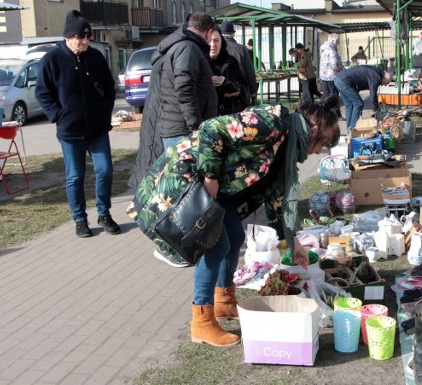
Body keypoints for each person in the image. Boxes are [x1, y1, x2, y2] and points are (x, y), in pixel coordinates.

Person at [127, 98, 342, 347]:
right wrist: (210, 176)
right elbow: (211, 129)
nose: (317, 152)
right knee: (216, 245)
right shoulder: (272, 123)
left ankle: (224, 302)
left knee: (234, 238)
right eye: (323, 144)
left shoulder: (288, 146)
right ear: (314, 130)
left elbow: (277, 200)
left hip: (219, 189)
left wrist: (293, 243)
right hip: (192, 175)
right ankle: (202, 322)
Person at [128, 12, 218, 268]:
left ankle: (182, 243)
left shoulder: (182, 46)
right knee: (182, 195)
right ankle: (171, 247)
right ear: (208, 31)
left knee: (182, 192)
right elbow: (184, 88)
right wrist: (195, 127)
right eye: (213, 35)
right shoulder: (187, 48)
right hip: (181, 131)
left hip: (178, 129)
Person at [36, 10, 120, 238]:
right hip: (70, 132)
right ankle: (80, 219)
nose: (85, 41)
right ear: (68, 37)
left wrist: (105, 113)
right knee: (75, 176)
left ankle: (104, 214)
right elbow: (42, 93)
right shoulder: (51, 60)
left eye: (88, 37)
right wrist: (58, 115)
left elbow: (110, 88)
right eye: (81, 37)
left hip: (97, 129)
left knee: (105, 170)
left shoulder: (95, 57)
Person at [333, 65, 391, 132]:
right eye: (386, 83)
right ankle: (352, 128)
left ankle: (349, 129)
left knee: (349, 104)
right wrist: (376, 110)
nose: (384, 85)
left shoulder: (375, 72)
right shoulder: (376, 77)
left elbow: (359, 82)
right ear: (384, 78)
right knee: (358, 103)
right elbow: (373, 94)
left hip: (338, 79)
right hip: (344, 81)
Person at [209, 26, 248, 114]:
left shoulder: (231, 61)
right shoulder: (199, 62)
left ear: (222, 42)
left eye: (216, 40)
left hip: (230, 113)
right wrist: (208, 83)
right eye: (209, 41)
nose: (213, 45)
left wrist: (238, 91)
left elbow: (243, 84)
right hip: (209, 116)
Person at [220, 21, 258, 106]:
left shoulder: (216, 49)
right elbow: (249, 71)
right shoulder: (241, 49)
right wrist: (253, 91)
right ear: (233, 34)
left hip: (221, 92)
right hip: (240, 91)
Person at [319, 33, 343, 100]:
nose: (338, 43)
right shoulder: (332, 51)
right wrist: (341, 67)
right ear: (333, 41)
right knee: (334, 95)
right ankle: (334, 109)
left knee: (326, 95)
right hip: (331, 77)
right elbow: (334, 66)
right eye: (337, 41)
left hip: (323, 76)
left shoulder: (323, 48)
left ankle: (325, 109)